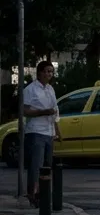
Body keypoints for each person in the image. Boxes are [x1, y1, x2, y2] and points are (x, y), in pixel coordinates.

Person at [22, 61, 60, 207]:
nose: (49, 74)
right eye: (46, 71)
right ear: (39, 73)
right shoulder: (31, 89)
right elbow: (25, 111)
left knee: (47, 165)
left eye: (51, 71)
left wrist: (57, 130)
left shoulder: (50, 89)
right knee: (36, 165)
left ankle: (43, 194)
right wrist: (43, 112)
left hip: (49, 131)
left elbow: (55, 109)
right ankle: (33, 194)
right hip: (36, 130)